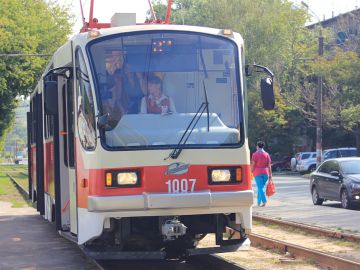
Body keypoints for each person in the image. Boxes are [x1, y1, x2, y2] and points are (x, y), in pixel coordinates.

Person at [251, 140, 272, 207]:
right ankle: (258, 202)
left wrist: (251, 172)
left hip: (257, 173)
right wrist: (270, 175)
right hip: (266, 173)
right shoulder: (266, 154)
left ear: (257, 146)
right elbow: (269, 165)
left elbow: (253, 165)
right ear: (263, 146)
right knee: (261, 187)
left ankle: (264, 201)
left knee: (260, 187)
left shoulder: (255, 154)